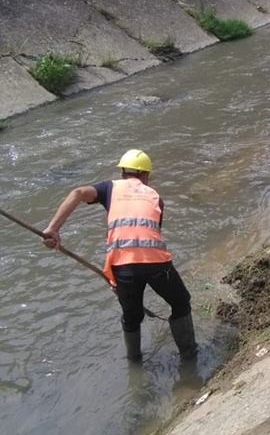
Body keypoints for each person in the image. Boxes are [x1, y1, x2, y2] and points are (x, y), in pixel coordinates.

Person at [41, 149, 198, 363]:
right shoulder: (155, 197)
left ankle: (135, 364)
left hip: (123, 268)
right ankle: (189, 357)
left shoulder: (110, 188)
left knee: (132, 317)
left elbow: (77, 193)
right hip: (156, 263)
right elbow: (149, 236)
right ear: (146, 175)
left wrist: (53, 229)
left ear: (123, 172)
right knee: (181, 302)